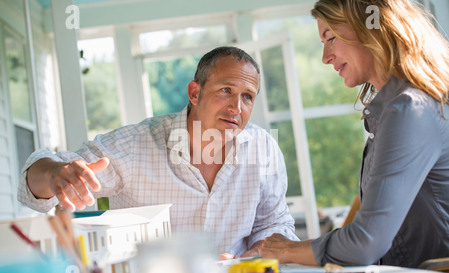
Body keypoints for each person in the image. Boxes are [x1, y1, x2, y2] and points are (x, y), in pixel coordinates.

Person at [18, 46, 298, 258]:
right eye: (226, 90)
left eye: (247, 96)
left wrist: (260, 252)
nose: (237, 108)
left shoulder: (263, 149)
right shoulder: (135, 145)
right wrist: (54, 173)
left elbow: (274, 221)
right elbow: (33, 188)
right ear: (194, 93)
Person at [261, 0, 449, 268]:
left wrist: (285, 250)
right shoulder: (396, 109)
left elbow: (366, 242)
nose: (325, 57)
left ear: (370, 28)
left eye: (330, 38)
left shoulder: (409, 110)